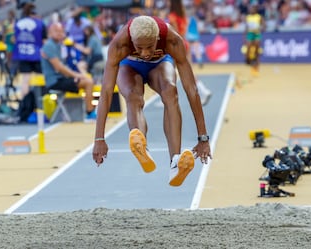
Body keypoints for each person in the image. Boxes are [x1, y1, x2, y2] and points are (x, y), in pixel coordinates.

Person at [92, 15, 212, 187]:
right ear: (131, 40)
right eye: (139, 47)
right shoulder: (119, 44)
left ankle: (175, 162)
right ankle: (141, 147)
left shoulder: (172, 39)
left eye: (150, 47)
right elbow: (106, 92)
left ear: (157, 38)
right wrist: (99, 139)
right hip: (129, 66)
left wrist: (203, 138)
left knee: (171, 91)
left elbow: (192, 90)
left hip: (160, 64)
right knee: (133, 97)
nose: (145, 53)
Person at [40, 22, 96, 120]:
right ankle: (90, 112)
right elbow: (59, 67)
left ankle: (90, 111)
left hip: (61, 78)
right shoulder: (49, 46)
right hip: (55, 81)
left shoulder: (59, 45)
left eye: (61, 31)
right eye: (56, 31)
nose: (59, 33)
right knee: (88, 82)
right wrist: (76, 75)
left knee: (88, 79)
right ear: (50, 33)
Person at [168, 0, 212, 106]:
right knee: (185, 70)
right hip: (185, 43)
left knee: (171, 70)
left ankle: (168, 97)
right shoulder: (183, 15)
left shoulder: (172, 16)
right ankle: (203, 90)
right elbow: (183, 30)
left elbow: (174, 32)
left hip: (176, 44)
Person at [12, 2, 47, 99]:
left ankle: (25, 104)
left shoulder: (18, 23)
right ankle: (41, 101)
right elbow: (45, 41)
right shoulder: (39, 24)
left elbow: (14, 39)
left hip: (22, 54)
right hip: (36, 54)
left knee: (25, 80)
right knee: (41, 78)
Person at [243, 4, 265, 77]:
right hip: (250, 33)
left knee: (257, 46)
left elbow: (264, 25)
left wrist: (262, 28)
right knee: (248, 46)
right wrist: (244, 36)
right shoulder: (248, 17)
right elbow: (246, 27)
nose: (251, 10)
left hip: (256, 33)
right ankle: (248, 59)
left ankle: (255, 59)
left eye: (253, 9)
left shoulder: (259, 17)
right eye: (250, 9)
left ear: (255, 10)